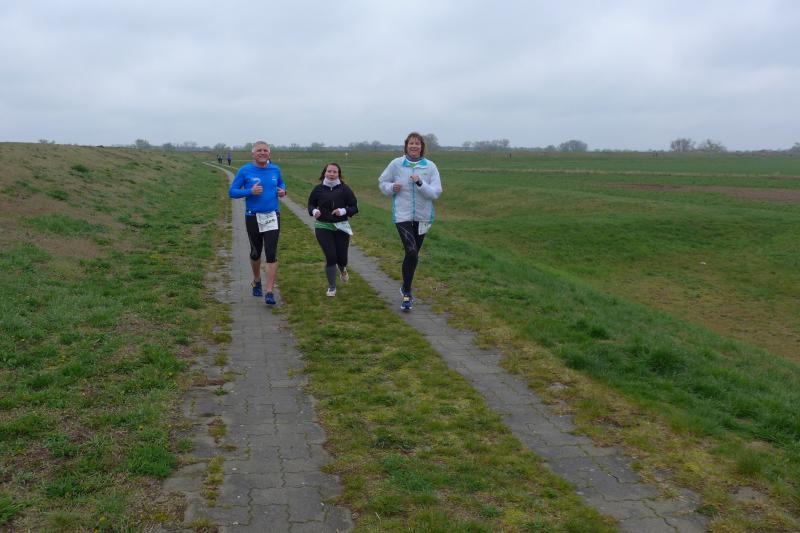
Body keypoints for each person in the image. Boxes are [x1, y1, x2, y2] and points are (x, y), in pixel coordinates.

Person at [378, 132, 442, 310]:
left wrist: (420, 183)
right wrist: (392, 187)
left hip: (423, 216)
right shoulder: (396, 164)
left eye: (417, 144)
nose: (414, 146)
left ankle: (405, 287)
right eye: (411, 143)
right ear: (406, 146)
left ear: (422, 147)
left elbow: (435, 193)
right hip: (402, 215)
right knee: (411, 251)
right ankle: (407, 292)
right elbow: (382, 182)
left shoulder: (430, 167)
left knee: (413, 255)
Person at [228, 141, 286, 305]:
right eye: (259, 150)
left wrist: (283, 190)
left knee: (271, 253)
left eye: (265, 150)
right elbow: (232, 192)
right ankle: (257, 280)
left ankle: (269, 291)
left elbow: (281, 183)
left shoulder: (275, 169)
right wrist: (250, 191)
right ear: (253, 154)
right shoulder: (245, 170)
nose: (262, 153)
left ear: (269, 153)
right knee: (255, 253)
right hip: (253, 216)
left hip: (272, 216)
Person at [307, 163, 358, 297]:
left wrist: (343, 211)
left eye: (335, 172)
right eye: (329, 171)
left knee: (342, 258)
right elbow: (311, 204)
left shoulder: (345, 189)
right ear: (324, 173)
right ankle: (332, 287)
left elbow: (354, 207)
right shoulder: (318, 189)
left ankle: (343, 269)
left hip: (341, 226)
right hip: (323, 226)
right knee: (331, 257)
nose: (331, 174)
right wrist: (314, 211)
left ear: (338, 174)